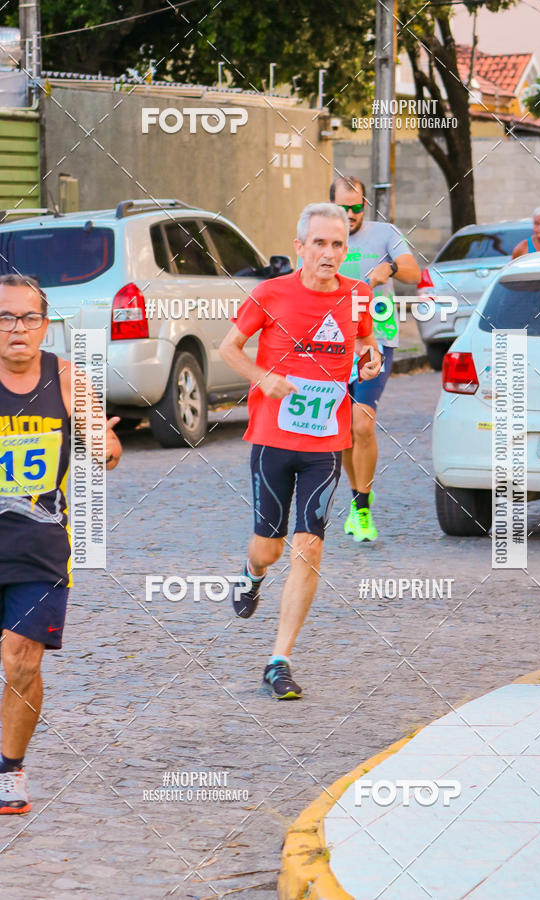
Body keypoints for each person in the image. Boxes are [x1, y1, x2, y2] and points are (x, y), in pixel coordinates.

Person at [219, 203, 381, 699]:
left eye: (337, 244)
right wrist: (262, 378)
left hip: (326, 444)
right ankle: (252, 574)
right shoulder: (270, 293)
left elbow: (366, 341)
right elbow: (229, 348)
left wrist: (370, 360)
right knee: (268, 548)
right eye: (319, 243)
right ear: (300, 247)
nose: (328, 253)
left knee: (308, 547)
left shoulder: (358, 296)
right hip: (272, 439)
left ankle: (279, 661)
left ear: (346, 250)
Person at [0, 274, 122, 814]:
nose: (17, 328)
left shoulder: (68, 379)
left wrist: (105, 444)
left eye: (28, 317)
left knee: (21, 661)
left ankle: (9, 769)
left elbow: (106, 451)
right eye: (5, 317)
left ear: (45, 325)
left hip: (39, 550)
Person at [330, 175, 421, 544]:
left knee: (363, 424)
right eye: (343, 208)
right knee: (343, 434)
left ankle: (363, 508)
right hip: (334, 345)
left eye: (356, 207)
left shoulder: (385, 234)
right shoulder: (324, 239)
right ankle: (357, 498)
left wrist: (391, 269)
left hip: (376, 341)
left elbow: (415, 272)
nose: (350, 214)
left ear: (364, 205)